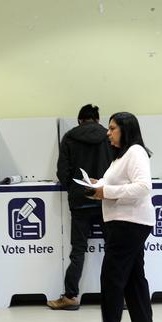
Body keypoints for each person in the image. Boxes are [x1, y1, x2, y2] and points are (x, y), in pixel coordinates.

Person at [84, 112, 158, 322]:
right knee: (134, 279)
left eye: (112, 128)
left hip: (130, 222)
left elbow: (143, 187)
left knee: (112, 277)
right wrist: (97, 185)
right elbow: (115, 185)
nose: (108, 132)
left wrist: (106, 191)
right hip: (127, 221)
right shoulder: (121, 157)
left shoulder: (135, 151)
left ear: (126, 129)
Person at [48, 104, 112, 310]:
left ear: (79, 120)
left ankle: (70, 297)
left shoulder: (69, 137)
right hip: (105, 199)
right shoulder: (108, 136)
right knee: (113, 249)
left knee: (78, 250)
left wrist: (74, 189)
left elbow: (62, 172)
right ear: (98, 119)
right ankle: (121, 297)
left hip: (80, 202)